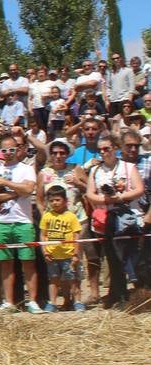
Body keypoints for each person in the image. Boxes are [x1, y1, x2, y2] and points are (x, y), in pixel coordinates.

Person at [0, 130, 40, 313]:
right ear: (0, 152)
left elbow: (29, 189)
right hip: (2, 222)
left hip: (23, 220)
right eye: (5, 151)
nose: (8, 154)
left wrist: (6, 184)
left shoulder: (26, 169)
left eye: (11, 150)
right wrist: (14, 193)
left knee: (28, 262)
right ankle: (8, 301)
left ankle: (32, 301)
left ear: (18, 150)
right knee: (6, 263)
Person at [87, 132, 142, 307]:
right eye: (100, 150)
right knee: (113, 259)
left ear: (115, 149)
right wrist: (105, 200)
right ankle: (120, 295)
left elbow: (139, 189)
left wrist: (120, 197)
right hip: (107, 220)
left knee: (131, 257)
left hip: (128, 218)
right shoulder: (96, 170)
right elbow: (90, 194)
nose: (103, 152)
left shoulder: (127, 167)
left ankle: (139, 294)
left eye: (106, 149)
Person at [39, 185, 82, 312]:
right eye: (51, 200)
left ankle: (77, 302)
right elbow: (43, 234)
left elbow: (77, 235)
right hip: (52, 256)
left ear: (65, 200)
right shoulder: (47, 216)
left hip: (68, 255)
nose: (55, 203)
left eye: (58, 200)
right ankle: (52, 303)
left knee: (72, 280)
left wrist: (75, 254)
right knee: (53, 280)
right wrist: (45, 251)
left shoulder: (71, 216)